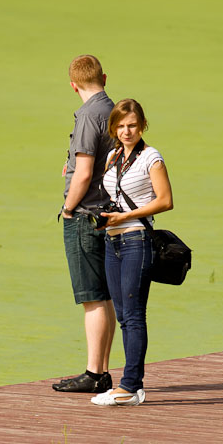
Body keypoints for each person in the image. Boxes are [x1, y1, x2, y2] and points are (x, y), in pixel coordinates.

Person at [91, 98, 173, 407]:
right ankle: (131, 388)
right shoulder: (113, 157)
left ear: (143, 126)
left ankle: (130, 385)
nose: (127, 131)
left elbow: (165, 201)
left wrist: (124, 217)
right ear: (113, 128)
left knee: (134, 316)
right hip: (112, 242)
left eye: (133, 126)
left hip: (137, 240)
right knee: (123, 315)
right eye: (121, 126)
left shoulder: (151, 157)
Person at [52, 55, 117, 394]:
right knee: (105, 298)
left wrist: (67, 208)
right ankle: (102, 371)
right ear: (104, 77)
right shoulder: (114, 111)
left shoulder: (89, 116)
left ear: (73, 84)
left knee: (92, 297)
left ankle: (94, 373)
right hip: (109, 215)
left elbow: (85, 171)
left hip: (85, 216)